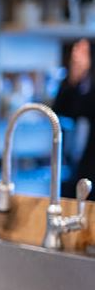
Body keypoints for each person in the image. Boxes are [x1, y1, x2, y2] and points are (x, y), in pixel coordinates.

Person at [53, 38, 95, 199]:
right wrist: (74, 77)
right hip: (76, 160)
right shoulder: (76, 83)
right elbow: (60, 109)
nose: (76, 55)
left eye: (83, 51)